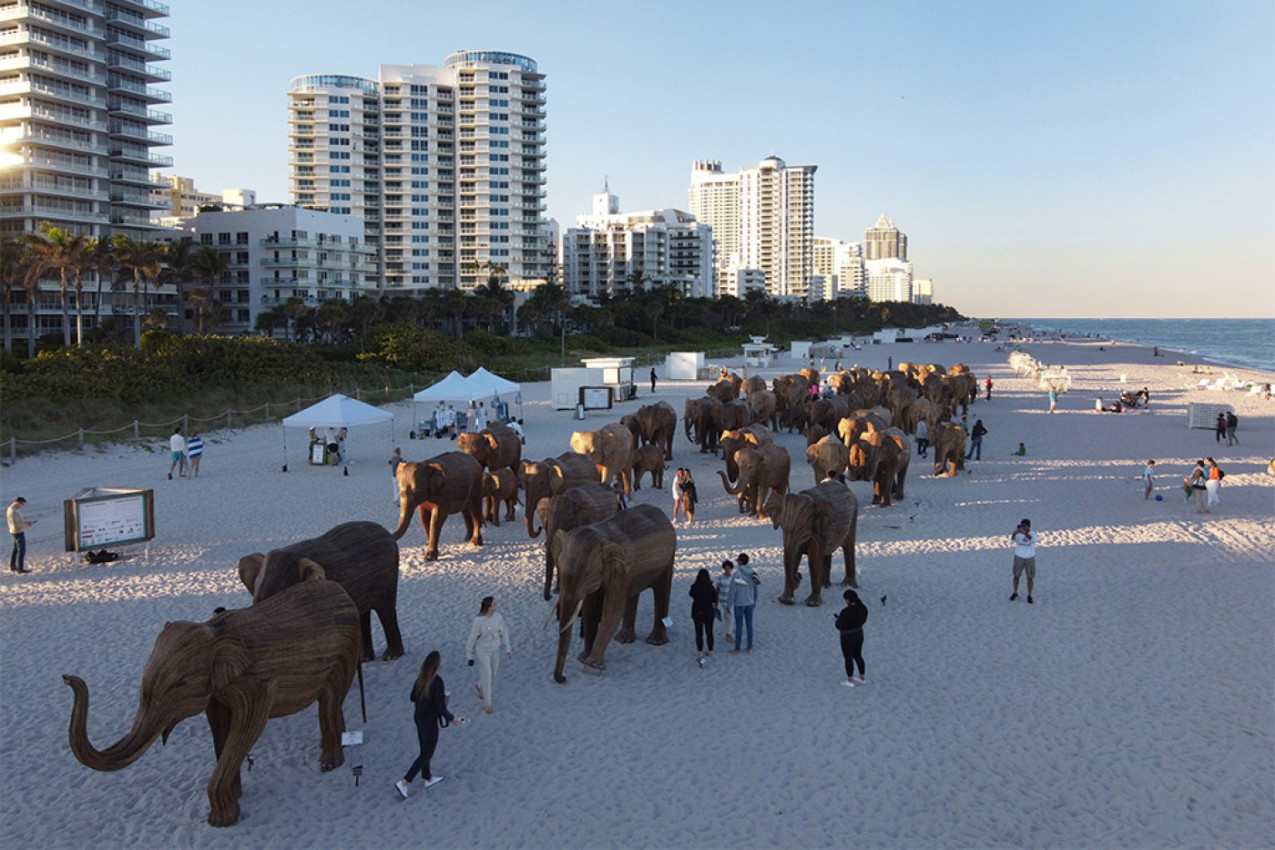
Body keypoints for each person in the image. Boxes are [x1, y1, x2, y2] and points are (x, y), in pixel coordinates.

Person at [396, 651, 464, 799]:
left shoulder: (421, 679)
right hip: (429, 720)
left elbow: (412, 697)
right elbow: (441, 707)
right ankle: (405, 781)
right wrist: (453, 719)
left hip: (418, 717)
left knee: (424, 748)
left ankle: (427, 777)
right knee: (427, 752)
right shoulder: (437, 681)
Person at [464, 596, 512, 715]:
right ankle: (488, 703)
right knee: (487, 675)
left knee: (493, 672)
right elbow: (472, 638)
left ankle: (480, 685)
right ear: (489, 607)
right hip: (482, 651)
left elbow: (504, 632)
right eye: (494, 604)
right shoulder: (479, 621)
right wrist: (469, 655)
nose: (496, 606)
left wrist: (507, 648)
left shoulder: (498, 617)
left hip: (495, 649)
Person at [726, 553, 758, 654]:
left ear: (740, 562)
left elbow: (732, 591)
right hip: (749, 602)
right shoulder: (753, 573)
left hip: (739, 603)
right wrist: (755, 600)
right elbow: (756, 589)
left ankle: (737, 648)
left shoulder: (736, 575)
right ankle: (749, 647)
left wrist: (728, 604)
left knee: (739, 626)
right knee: (749, 625)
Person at [835, 589, 868, 686]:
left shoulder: (846, 612)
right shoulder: (863, 608)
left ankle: (850, 680)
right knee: (858, 655)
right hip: (859, 634)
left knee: (848, 657)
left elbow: (839, 625)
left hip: (847, 636)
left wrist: (838, 620)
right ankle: (862, 677)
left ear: (848, 600)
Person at [689, 568, 718, 666]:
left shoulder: (694, 587)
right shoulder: (711, 588)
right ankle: (710, 650)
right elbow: (715, 599)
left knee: (699, 633)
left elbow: (691, 595)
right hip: (709, 612)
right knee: (709, 632)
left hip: (697, 611)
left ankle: (700, 651)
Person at [1009, 519, 1036, 603]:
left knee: (1030, 577)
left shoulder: (1033, 534)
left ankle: (1029, 595)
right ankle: (1015, 592)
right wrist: (1016, 532)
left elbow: (1031, 539)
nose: (1023, 527)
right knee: (1016, 576)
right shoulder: (1018, 534)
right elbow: (1012, 538)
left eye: (1025, 526)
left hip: (1029, 558)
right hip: (1019, 557)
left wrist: (1025, 533)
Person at [8, 496, 34, 573]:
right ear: (18, 502)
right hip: (18, 531)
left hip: (14, 531)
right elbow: (17, 524)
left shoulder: (10, 509)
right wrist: (27, 524)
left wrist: (25, 523)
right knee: (21, 550)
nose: (21, 506)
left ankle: (12, 565)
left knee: (15, 549)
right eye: (21, 504)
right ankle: (20, 568)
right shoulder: (13, 511)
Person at [715, 560, 735, 645]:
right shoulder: (720, 578)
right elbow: (717, 590)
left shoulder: (734, 578)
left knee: (729, 616)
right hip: (722, 600)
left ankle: (728, 633)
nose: (727, 570)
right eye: (725, 568)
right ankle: (728, 633)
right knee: (728, 616)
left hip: (731, 600)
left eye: (728, 568)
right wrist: (716, 601)